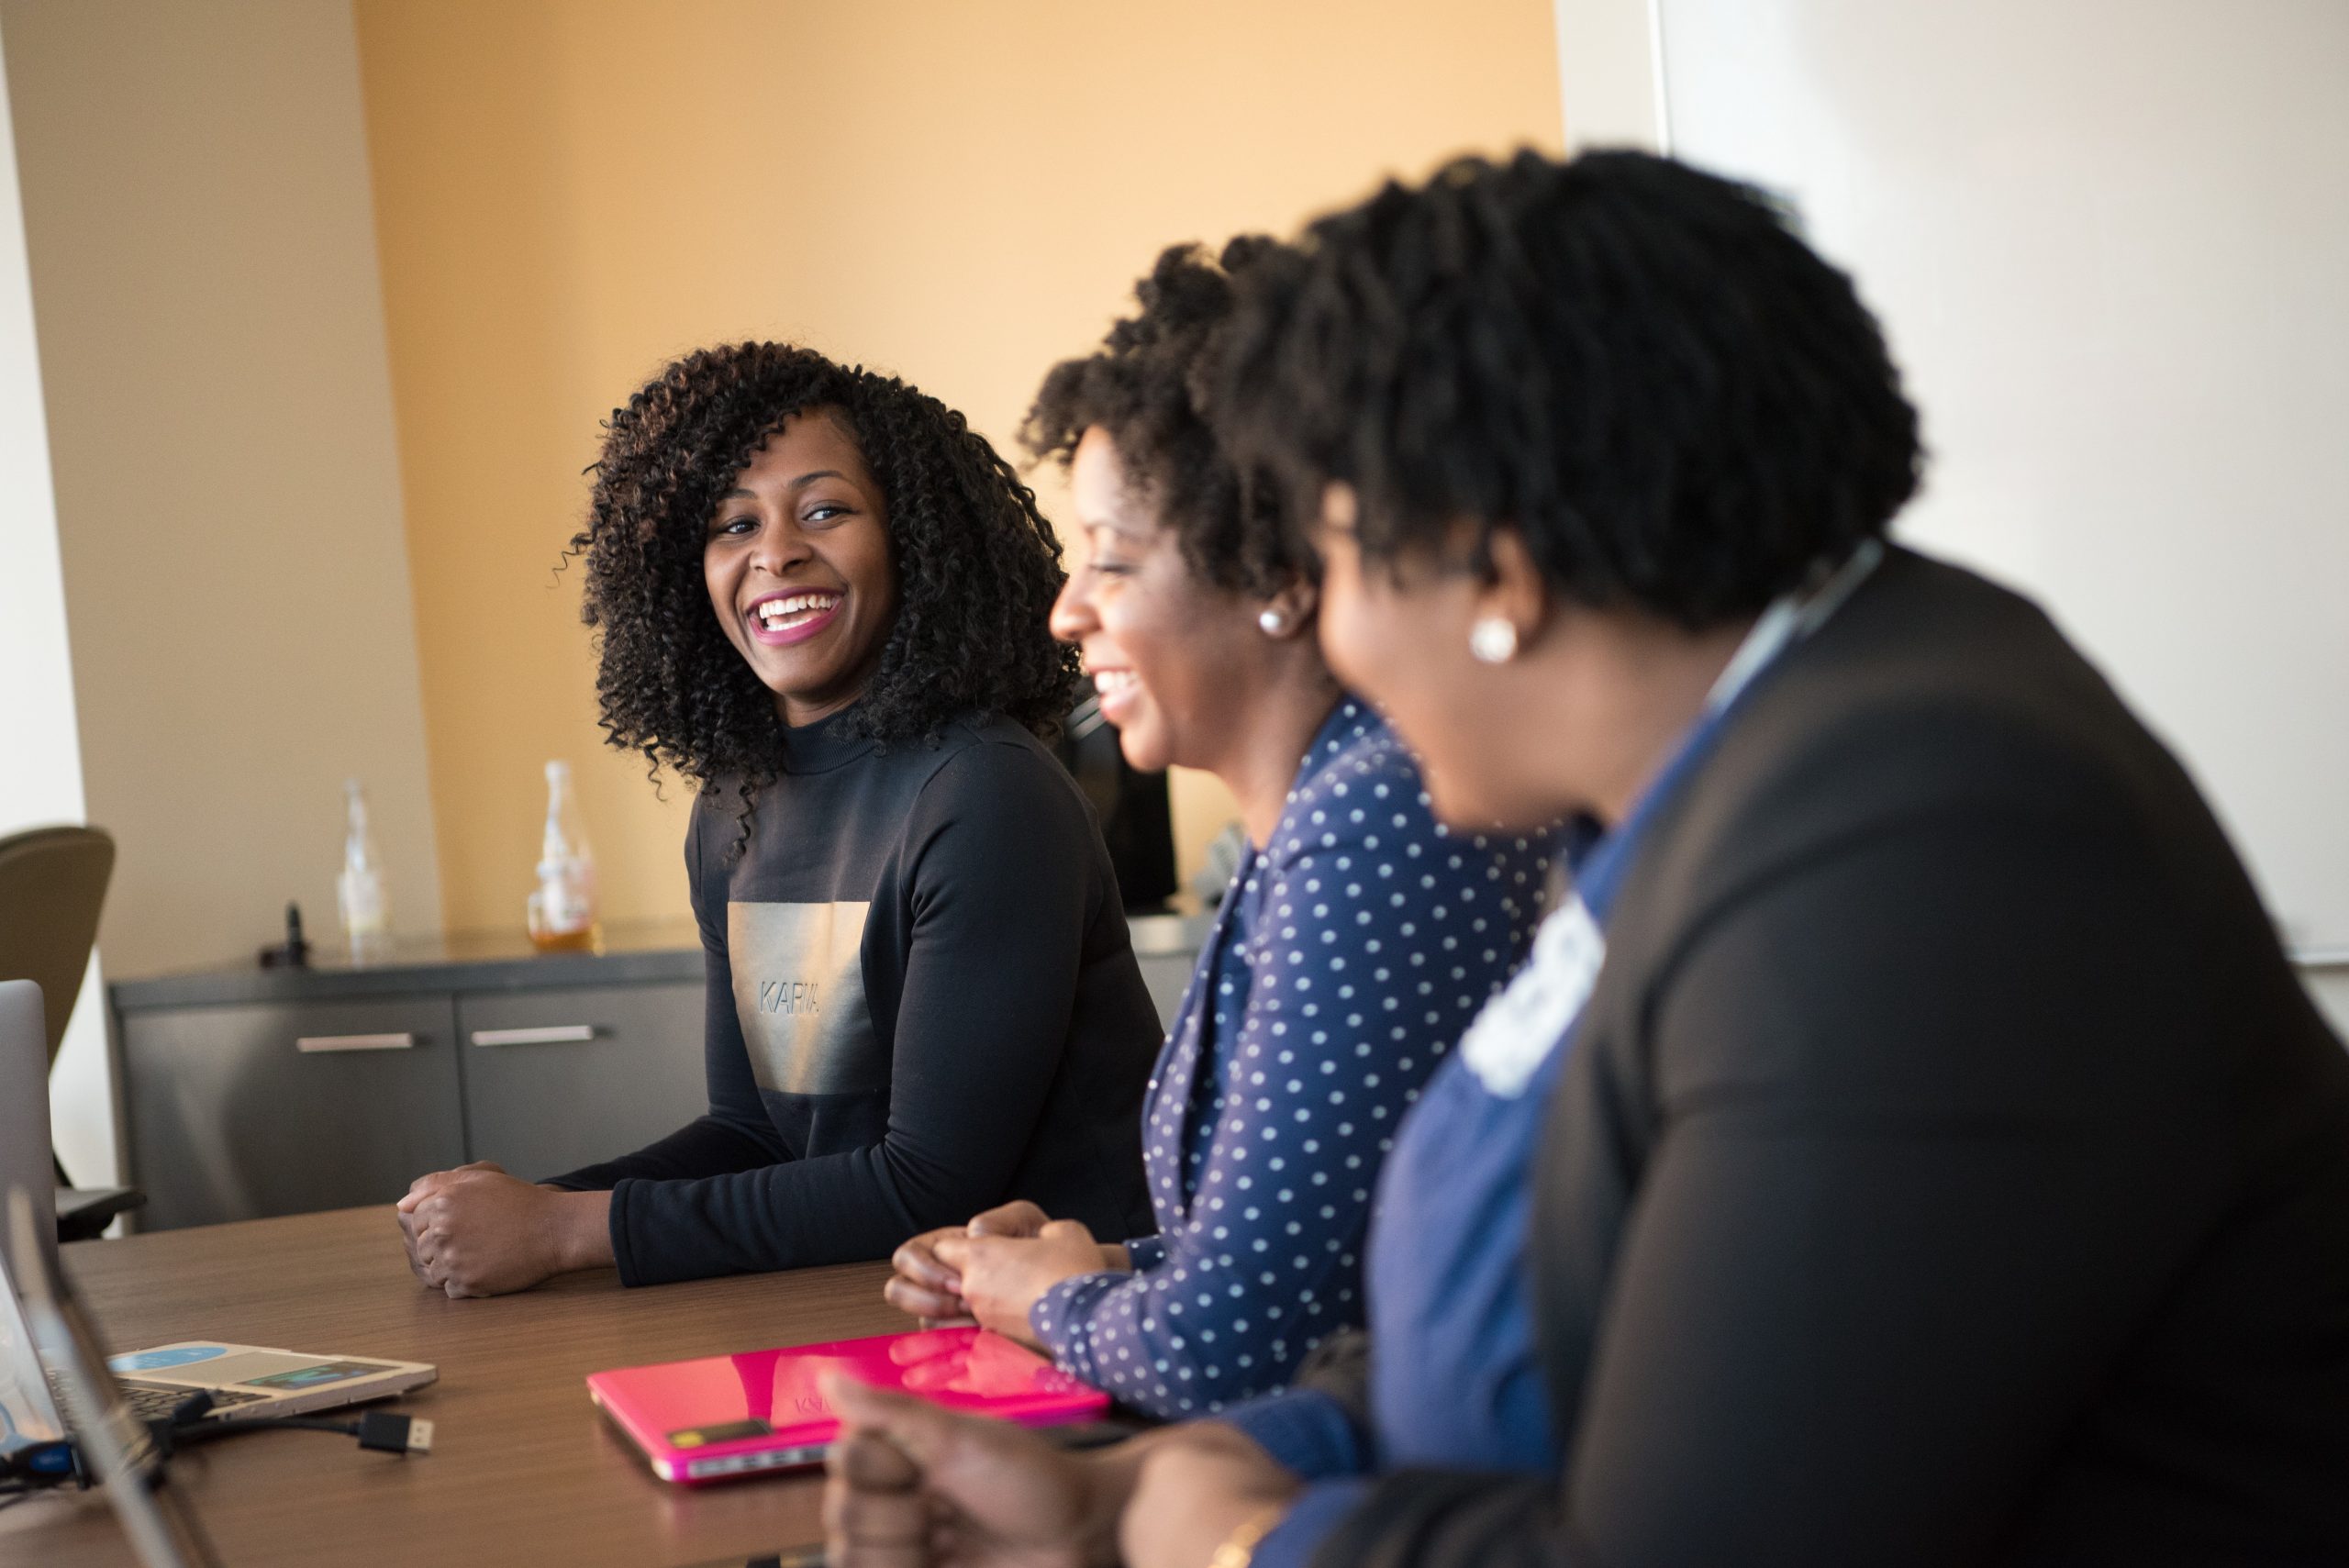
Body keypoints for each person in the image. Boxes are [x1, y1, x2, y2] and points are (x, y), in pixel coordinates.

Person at [818, 151, 2349, 1566]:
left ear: (1495, 568)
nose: (1335, 637)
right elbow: (1531, 1311)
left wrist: (1246, 1540)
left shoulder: (1923, 836)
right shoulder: (1731, 771)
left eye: (1339, 560)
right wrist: (1137, 1484)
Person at [880, 241, 1552, 1418]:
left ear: (1277, 575)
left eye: (1112, 561)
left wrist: (1050, 1303)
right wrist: (1078, 1270)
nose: (1066, 608)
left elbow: (1230, 1350)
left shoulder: (1374, 823)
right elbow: (1315, 1262)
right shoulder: (1315, 816)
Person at [396, 342, 1163, 1296]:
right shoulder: (733, 805)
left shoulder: (985, 792)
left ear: (914, 539)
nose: (775, 551)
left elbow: (924, 1181)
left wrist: (562, 1228)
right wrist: (526, 1206)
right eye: (731, 523)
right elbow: (754, 1133)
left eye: (825, 509)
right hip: (858, 1298)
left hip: (1067, 1332)